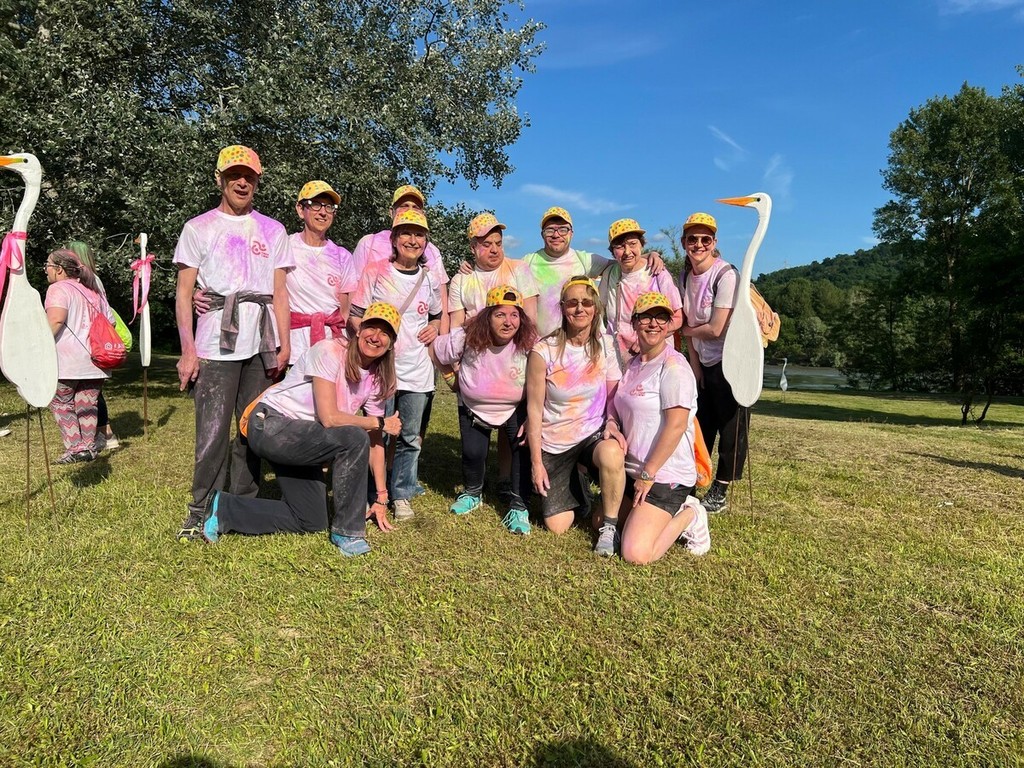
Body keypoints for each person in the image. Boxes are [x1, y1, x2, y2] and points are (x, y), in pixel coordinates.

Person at [193, 303, 403, 556]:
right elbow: (330, 418)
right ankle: (348, 532)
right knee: (354, 435)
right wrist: (379, 422)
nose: (376, 337)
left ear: (391, 344)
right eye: (371, 327)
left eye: (385, 333)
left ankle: (224, 509)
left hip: (305, 439)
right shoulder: (329, 351)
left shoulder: (376, 377)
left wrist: (381, 496)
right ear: (359, 329)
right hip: (270, 424)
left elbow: (375, 441)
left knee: (311, 519)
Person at [175, 145, 294, 541]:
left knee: (251, 428)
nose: (242, 183)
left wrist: (285, 344)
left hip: (261, 344)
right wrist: (188, 350)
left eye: (249, 177)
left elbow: (280, 293)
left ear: (257, 182)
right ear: (220, 179)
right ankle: (200, 509)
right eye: (234, 175)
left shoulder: (273, 230)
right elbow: (183, 293)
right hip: (214, 344)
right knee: (211, 434)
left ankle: (241, 506)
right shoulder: (198, 228)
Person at [349, 209, 442, 521]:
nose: (412, 240)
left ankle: (401, 494)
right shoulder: (376, 270)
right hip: (381, 369)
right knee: (378, 433)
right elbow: (355, 316)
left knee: (410, 437)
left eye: (419, 234)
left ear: (426, 241)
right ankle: (371, 493)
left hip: (417, 369)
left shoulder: (429, 278)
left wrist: (435, 327)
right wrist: (373, 342)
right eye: (406, 233)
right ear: (394, 238)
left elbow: (436, 314)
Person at [526, 275, 626, 556]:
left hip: (591, 436)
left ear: (596, 308)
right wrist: (536, 463)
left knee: (612, 453)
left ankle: (609, 527)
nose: (580, 308)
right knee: (558, 526)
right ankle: (580, 489)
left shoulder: (606, 345)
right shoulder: (543, 351)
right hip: (555, 442)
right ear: (562, 308)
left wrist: (612, 422)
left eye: (586, 302)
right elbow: (534, 410)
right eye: (572, 303)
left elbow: (612, 397)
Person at [607, 292, 711, 564]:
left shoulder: (674, 366)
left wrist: (648, 474)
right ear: (634, 322)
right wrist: (611, 423)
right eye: (646, 317)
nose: (654, 323)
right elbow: (618, 404)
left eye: (661, 317)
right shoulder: (632, 364)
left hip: (664, 474)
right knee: (600, 523)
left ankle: (690, 514)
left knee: (635, 553)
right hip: (632, 471)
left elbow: (676, 426)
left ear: (668, 325)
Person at [433, 285, 537, 534]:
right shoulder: (466, 336)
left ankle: (519, 506)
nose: (508, 322)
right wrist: (452, 380)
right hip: (473, 407)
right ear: (487, 316)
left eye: (514, 315)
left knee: (521, 453)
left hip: (515, 408)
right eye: (500, 315)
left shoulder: (530, 341)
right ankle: (472, 493)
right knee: (473, 453)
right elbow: (436, 351)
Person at [678, 212, 745, 513]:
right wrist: (695, 367)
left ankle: (721, 488)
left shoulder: (725, 275)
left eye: (705, 239)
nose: (699, 244)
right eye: (692, 239)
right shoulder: (684, 277)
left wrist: (685, 331)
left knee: (731, 428)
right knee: (700, 424)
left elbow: (716, 328)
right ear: (684, 243)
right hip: (703, 360)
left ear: (714, 242)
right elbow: (691, 325)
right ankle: (694, 479)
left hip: (730, 361)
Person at [522, 207, 666, 337]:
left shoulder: (584, 260)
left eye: (563, 229)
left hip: (581, 345)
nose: (556, 235)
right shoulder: (527, 263)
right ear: (542, 234)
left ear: (571, 233)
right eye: (550, 230)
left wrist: (649, 255)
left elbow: (622, 261)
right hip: (543, 346)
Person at [42, 248, 116, 463]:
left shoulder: (58, 289)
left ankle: (76, 448)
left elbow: (56, 319)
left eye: (47, 266)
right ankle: (89, 447)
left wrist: (39, 346)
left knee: (61, 402)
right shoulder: (93, 291)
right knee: (87, 404)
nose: (46, 270)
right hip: (96, 360)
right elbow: (110, 322)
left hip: (67, 360)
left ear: (59, 269)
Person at [352, 184, 451, 335]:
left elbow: (440, 305)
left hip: (416, 344)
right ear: (391, 211)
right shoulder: (369, 243)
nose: (410, 211)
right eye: (404, 205)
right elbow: (354, 297)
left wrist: (440, 338)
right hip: (377, 341)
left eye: (416, 207)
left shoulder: (433, 251)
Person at [285, 181, 358, 364]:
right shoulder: (285, 246)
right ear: (300, 210)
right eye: (315, 205)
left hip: (332, 345)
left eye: (329, 207)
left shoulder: (342, 256)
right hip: (293, 345)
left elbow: (345, 310)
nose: (323, 212)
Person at [598, 219, 682, 373]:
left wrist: (647, 339)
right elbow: (598, 309)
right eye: (620, 246)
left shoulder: (657, 273)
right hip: (616, 360)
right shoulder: (610, 275)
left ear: (641, 245)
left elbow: (677, 318)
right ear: (612, 251)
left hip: (654, 357)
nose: (627, 251)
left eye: (632, 244)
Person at [66, 239, 121, 451]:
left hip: (87, 341)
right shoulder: (94, 279)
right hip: (94, 340)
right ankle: (100, 432)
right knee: (91, 391)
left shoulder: (85, 280)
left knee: (89, 391)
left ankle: (102, 433)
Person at [447, 213, 539, 328]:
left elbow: (531, 319)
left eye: (498, 244)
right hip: (474, 339)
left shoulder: (519, 269)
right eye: (487, 245)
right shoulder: (460, 280)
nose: (494, 250)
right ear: (473, 248)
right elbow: (456, 326)